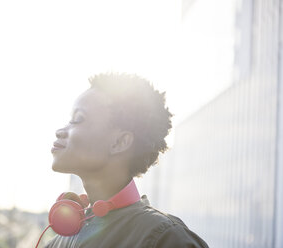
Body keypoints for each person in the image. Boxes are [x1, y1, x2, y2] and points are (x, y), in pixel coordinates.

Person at [45, 73, 209, 248]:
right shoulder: (56, 243)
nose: (60, 131)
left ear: (119, 142)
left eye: (78, 119)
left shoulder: (167, 239)